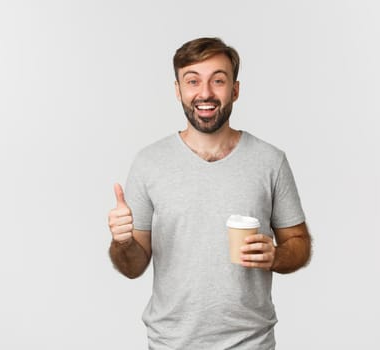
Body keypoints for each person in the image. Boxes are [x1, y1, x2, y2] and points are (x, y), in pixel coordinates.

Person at [108, 37, 312, 350]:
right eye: (193, 81)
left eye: (218, 80)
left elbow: (299, 244)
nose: (205, 93)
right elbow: (133, 266)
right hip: (171, 343)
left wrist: (277, 255)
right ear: (178, 90)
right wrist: (122, 243)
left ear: (235, 90)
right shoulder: (149, 163)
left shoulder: (270, 161)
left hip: (251, 343)